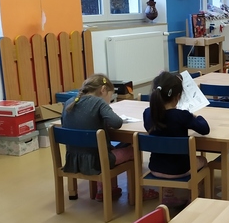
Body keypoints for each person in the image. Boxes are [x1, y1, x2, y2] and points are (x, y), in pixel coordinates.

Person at [61, 74, 157, 202]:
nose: (109, 101)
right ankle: (137, 193)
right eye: (110, 97)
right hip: (97, 161)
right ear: (103, 90)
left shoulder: (69, 102)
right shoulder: (98, 102)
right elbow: (117, 122)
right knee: (132, 151)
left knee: (110, 148)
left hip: (74, 160)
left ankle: (105, 190)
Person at [143, 72, 210, 206]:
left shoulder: (148, 113)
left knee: (167, 156)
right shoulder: (182, 116)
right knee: (203, 161)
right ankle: (194, 196)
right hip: (180, 169)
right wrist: (196, 117)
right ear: (178, 97)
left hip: (155, 168)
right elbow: (204, 129)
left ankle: (168, 195)